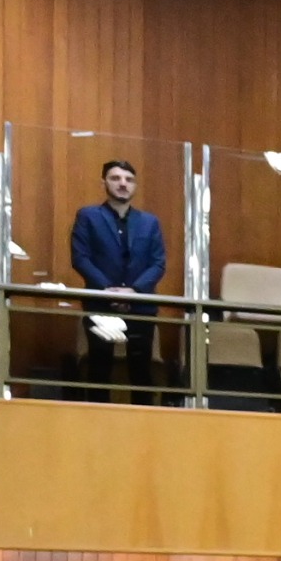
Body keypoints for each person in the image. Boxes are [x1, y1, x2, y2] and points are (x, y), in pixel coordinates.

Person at [67, 157, 169, 398]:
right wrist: (107, 289)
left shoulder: (150, 222)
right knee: (99, 369)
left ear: (135, 185)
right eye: (115, 178)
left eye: (129, 179)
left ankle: (143, 420)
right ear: (103, 182)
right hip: (101, 303)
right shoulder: (88, 216)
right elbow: (80, 258)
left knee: (141, 373)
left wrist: (134, 291)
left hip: (141, 306)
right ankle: (97, 419)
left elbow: (158, 263)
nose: (123, 183)